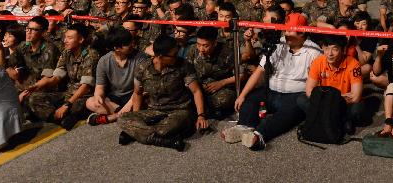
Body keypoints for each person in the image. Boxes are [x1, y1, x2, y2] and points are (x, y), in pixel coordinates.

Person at [229, 10, 321, 150]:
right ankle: (243, 127)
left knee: (287, 115)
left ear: (302, 33)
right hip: (271, 90)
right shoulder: (277, 44)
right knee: (251, 99)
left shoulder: (314, 52)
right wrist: (242, 95)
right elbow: (260, 71)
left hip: (295, 94)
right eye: (285, 31)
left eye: (291, 31)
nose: (286, 34)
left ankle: (259, 135)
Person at [117, 35, 208, 151]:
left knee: (169, 126)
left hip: (179, 111)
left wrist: (201, 115)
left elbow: (196, 91)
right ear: (160, 56)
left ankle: (136, 133)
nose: (177, 57)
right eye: (173, 55)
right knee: (122, 119)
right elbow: (137, 93)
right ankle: (160, 140)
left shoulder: (183, 65)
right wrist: (136, 116)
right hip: (154, 111)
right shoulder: (142, 68)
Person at [24, 23, 98, 130]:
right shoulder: (66, 53)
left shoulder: (90, 55)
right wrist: (36, 86)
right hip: (68, 93)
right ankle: (60, 118)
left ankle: (65, 116)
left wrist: (67, 105)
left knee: (76, 107)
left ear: (81, 39)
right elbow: (56, 77)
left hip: (84, 96)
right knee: (34, 98)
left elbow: (85, 87)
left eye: (70, 38)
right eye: (65, 37)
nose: (65, 40)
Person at [85, 27, 148, 126]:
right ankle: (124, 114)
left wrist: (129, 104)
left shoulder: (140, 57)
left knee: (145, 100)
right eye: (127, 44)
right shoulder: (104, 61)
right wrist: (98, 97)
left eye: (131, 41)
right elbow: (99, 87)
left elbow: (141, 88)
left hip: (135, 95)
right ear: (116, 48)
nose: (132, 45)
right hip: (116, 97)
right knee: (90, 102)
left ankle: (113, 117)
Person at [185, 26, 238, 119]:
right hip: (196, 86)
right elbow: (186, 72)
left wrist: (222, 83)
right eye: (198, 44)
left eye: (205, 46)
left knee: (225, 99)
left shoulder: (227, 52)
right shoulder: (193, 50)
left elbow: (241, 74)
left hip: (218, 88)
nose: (201, 49)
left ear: (215, 43)